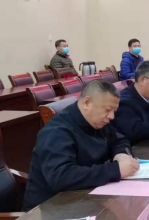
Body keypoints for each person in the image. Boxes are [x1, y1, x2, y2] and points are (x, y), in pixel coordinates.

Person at [23, 80, 139, 211]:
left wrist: (121, 154)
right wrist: (115, 170)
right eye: (107, 110)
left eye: (114, 111)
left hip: (85, 198)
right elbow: (61, 177)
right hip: (49, 209)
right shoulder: (57, 131)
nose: (111, 116)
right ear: (87, 103)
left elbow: (120, 139)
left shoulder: (97, 121)